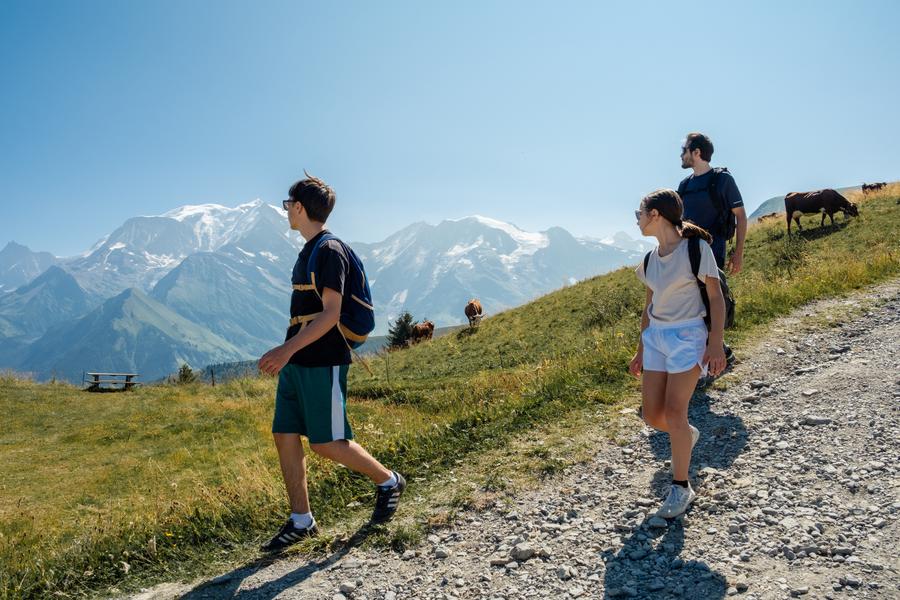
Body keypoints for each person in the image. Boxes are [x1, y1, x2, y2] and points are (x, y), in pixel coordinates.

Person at [258, 173, 405, 552]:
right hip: (298, 361)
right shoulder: (309, 250)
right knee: (285, 434)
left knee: (328, 442)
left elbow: (330, 314)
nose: (286, 210)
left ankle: (389, 481)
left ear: (300, 207)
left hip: (322, 360)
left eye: (288, 204)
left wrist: (285, 350)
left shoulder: (329, 250)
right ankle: (301, 520)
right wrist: (288, 353)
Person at [629, 189, 727, 519]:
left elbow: (715, 298)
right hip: (656, 338)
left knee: (674, 411)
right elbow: (648, 307)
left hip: (688, 336)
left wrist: (715, 342)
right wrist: (640, 349)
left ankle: (680, 487)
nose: (638, 220)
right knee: (652, 415)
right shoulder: (649, 260)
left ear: (655, 215)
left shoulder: (696, 249)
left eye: (639, 213)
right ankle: (685, 432)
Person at [678, 132, 745, 371]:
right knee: (694, 301)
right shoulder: (684, 186)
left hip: (714, 251)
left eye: (684, 150)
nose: (681, 155)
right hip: (688, 253)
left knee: (711, 300)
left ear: (696, 152)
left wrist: (738, 253)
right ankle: (713, 353)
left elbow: (740, 216)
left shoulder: (722, 180)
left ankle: (719, 352)